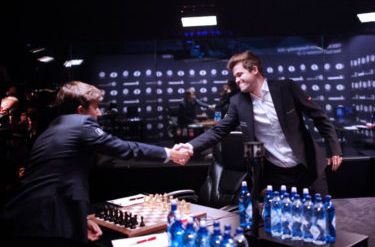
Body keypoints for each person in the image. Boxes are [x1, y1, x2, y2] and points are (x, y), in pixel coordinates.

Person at [0, 81, 192, 247]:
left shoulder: (53, 129)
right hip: (47, 225)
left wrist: (79, 218)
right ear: (81, 110)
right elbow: (125, 148)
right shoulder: (81, 124)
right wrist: (170, 153)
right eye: (96, 107)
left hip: (23, 219)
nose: (99, 113)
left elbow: (52, 180)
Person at [175, 50, 342, 197]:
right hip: (275, 174)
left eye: (240, 74)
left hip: (308, 167)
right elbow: (218, 130)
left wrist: (334, 148)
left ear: (254, 70)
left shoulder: (286, 88)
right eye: (235, 77)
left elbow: (319, 117)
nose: (237, 80)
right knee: (280, 225)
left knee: (318, 220)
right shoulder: (238, 102)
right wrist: (190, 146)